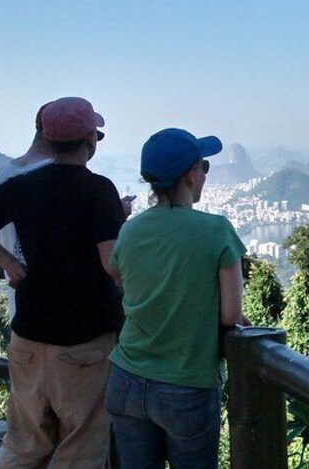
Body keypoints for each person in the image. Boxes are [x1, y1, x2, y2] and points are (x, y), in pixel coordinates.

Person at [0, 97, 125, 468]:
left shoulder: (24, 186)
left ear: (47, 137)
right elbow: (113, 265)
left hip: (27, 338)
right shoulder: (99, 190)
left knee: (23, 445)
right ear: (90, 139)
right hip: (84, 343)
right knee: (81, 448)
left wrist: (8, 262)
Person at [104, 128, 246, 469]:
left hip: (125, 378)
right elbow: (231, 315)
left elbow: (119, 276)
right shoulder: (216, 230)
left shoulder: (130, 229)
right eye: (204, 167)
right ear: (190, 174)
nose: (204, 175)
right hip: (186, 384)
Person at [0, 103, 53, 322]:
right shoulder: (58, 177)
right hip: (64, 315)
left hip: (19, 306)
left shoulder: (1, 174)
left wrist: (9, 263)